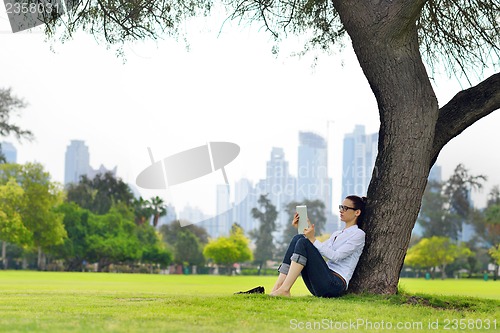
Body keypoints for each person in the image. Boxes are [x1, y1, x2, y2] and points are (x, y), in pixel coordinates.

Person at [270, 195, 367, 297]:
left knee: (303, 242)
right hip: (321, 281)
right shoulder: (337, 234)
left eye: (345, 208)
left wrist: (312, 239)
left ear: (357, 212)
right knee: (298, 238)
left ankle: (285, 290)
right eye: (340, 207)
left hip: (335, 285)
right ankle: (278, 287)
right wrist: (304, 229)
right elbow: (316, 249)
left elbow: (336, 256)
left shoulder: (358, 234)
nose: (341, 210)